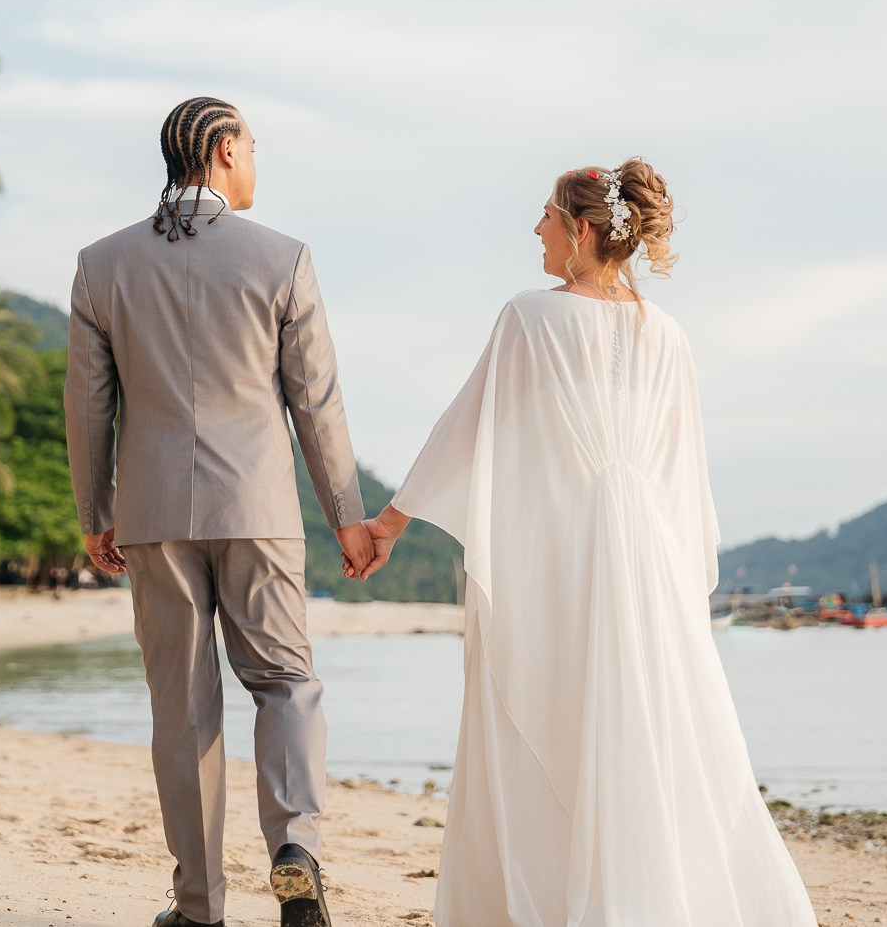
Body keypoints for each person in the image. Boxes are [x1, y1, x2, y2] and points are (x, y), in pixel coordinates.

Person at [358, 161, 818, 926]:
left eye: (543, 214)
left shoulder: (530, 318)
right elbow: (682, 469)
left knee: (550, 716)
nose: (533, 228)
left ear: (578, 230)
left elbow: (468, 427)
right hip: (649, 561)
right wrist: (670, 575)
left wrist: (389, 523)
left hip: (563, 557)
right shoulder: (668, 334)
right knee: (654, 732)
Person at [65, 97, 375, 927]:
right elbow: (317, 402)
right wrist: (346, 514)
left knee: (184, 704)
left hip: (152, 511)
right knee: (285, 682)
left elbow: (89, 407)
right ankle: (295, 851)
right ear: (227, 149)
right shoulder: (283, 257)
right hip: (261, 507)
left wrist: (95, 509)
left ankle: (199, 906)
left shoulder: (102, 265)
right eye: (254, 146)